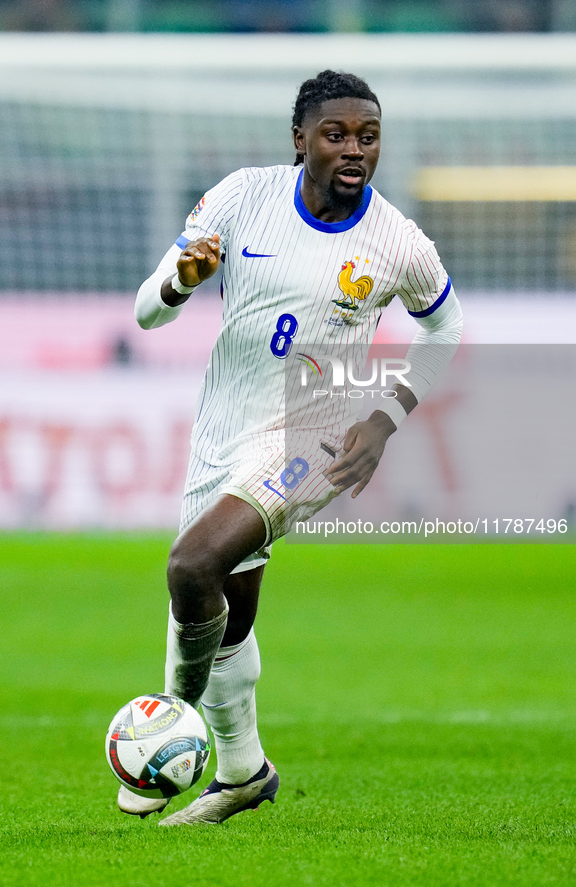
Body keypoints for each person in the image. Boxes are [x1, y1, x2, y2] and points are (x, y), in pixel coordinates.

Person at [120, 70, 463, 826]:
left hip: (315, 436)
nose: (354, 150)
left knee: (191, 563)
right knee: (224, 614)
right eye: (336, 134)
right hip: (223, 428)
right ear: (299, 139)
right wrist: (180, 281)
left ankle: (169, 720)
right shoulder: (242, 197)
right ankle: (244, 773)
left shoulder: (396, 241)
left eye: (367, 137)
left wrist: (383, 416)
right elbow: (146, 312)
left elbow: (446, 325)